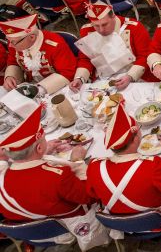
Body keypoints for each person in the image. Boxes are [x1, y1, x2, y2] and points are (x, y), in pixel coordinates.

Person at [0, 105, 109, 251]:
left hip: (33, 232)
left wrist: (43, 153)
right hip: (68, 226)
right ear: (38, 148)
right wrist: (78, 161)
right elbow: (88, 196)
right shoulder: (58, 176)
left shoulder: (3, 176)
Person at [85, 104, 161, 219]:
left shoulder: (94, 167)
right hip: (158, 220)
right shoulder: (151, 165)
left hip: (121, 221)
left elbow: (92, 194)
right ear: (136, 137)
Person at [72, 1, 153, 90]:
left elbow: (144, 56)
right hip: (102, 79)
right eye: (96, 26)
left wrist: (130, 76)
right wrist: (80, 78)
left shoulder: (134, 27)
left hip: (133, 74)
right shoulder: (86, 30)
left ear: (113, 17)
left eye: (104, 24)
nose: (101, 30)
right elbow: (85, 59)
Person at [1, 13, 76, 94]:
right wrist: (10, 76)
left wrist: (39, 90)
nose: (10, 45)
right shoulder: (14, 44)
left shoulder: (55, 44)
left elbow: (68, 73)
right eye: (8, 40)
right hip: (31, 85)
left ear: (32, 37)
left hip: (57, 87)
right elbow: (13, 61)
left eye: (13, 42)